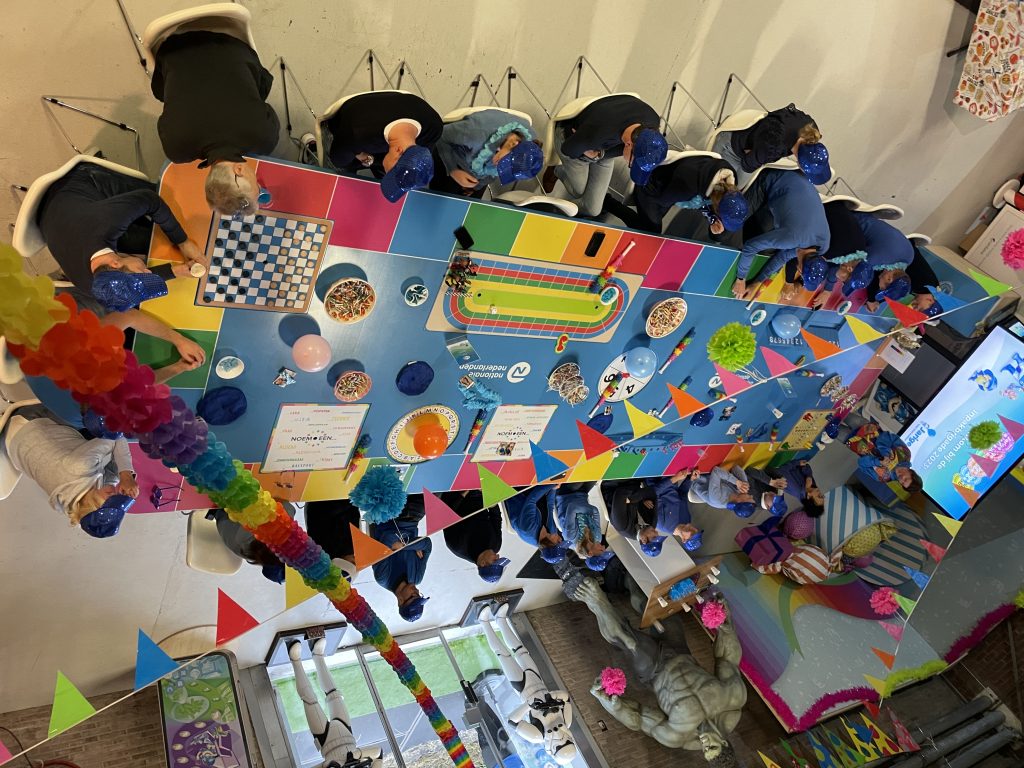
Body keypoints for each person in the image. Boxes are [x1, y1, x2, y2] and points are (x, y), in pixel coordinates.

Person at [34, 162, 208, 364]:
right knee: (153, 239)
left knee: (168, 197)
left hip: (80, 182)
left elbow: (151, 200)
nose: (147, 271)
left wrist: (183, 242)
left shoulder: (104, 224)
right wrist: (176, 271)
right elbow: (133, 286)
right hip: (56, 218)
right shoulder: (95, 285)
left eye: (142, 271)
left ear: (116, 264)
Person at [574, 578, 746, 760]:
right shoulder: (733, 702)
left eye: (705, 751)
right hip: (680, 652)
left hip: (654, 671)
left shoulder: (678, 737)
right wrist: (726, 628)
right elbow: (727, 659)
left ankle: (597, 601)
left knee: (629, 641)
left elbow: (640, 718)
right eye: (712, 746)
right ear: (724, 742)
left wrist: (614, 707)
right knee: (658, 606)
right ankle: (626, 576)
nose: (705, 745)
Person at [151, 29, 280, 216]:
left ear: (239, 169)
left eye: (257, 188)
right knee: (162, 93)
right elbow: (164, 120)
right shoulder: (175, 150)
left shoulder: (265, 139)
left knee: (258, 93)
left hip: (232, 43)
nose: (259, 186)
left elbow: (266, 108)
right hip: (174, 47)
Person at [3, 403, 139, 534]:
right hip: (15, 448)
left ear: (94, 506)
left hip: (27, 420)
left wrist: (125, 474)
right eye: (117, 498)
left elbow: (115, 435)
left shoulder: (81, 466)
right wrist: (120, 480)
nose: (115, 493)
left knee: (103, 416)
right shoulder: (75, 506)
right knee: (107, 441)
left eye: (110, 499)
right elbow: (110, 473)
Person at [478, 602, 577, 765]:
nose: (562, 738)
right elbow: (566, 698)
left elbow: (512, 721)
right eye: (568, 741)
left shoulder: (537, 735)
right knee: (521, 650)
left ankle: (484, 622)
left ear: (552, 749)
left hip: (523, 687)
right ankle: (501, 620)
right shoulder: (567, 721)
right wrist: (552, 697)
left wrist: (529, 705)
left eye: (560, 745)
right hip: (538, 681)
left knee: (503, 655)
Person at [543, 94, 667, 217]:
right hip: (569, 138)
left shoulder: (652, 125)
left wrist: (598, 155)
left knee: (593, 210)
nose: (628, 163)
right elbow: (568, 149)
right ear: (629, 144)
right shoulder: (597, 134)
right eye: (631, 162)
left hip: (601, 145)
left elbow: (608, 151)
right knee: (578, 191)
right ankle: (556, 171)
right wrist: (590, 152)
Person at [286, 636, 383, 768]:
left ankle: (295, 660)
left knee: (309, 699)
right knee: (333, 693)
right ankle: (317, 654)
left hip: (326, 742)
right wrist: (357, 755)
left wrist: (327, 765)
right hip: (347, 734)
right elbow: (378, 753)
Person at [731, 169, 829, 299]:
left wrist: (757, 282)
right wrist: (741, 278)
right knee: (732, 223)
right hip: (774, 179)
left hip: (801, 181)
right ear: (799, 270)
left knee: (766, 238)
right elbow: (750, 246)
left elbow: (782, 258)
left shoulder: (823, 246)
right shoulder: (791, 238)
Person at [605, 154, 749, 235]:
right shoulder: (688, 188)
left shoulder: (729, 176)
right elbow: (664, 201)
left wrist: (712, 218)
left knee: (651, 224)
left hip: (674, 177)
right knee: (650, 232)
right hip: (652, 186)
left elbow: (709, 196)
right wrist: (708, 213)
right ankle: (608, 202)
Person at [711, 103, 829, 190]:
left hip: (750, 126)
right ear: (800, 165)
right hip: (731, 144)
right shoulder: (775, 147)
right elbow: (747, 164)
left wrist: (757, 152)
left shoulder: (812, 128)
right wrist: (758, 154)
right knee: (727, 190)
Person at [432, 109, 544, 197]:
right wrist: (453, 170)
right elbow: (440, 135)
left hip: (479, 169)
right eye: (504, 163)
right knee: (443, 197)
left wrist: (476, 186)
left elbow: (492, 174)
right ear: (513, 144)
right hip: (448, 150)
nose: (500, 168)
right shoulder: (474, 136)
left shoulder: (530, 143)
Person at [369, 495, 431, 622]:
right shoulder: (417, 578)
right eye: (419, 594)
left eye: (413, 596)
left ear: (400, 601)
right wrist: (404, 546)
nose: (416, 590)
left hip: (387, 513)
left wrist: (411, 545)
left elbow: (387, 537)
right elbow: (427, 544)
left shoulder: (383, 577)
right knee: (436, 491)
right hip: (413, 517)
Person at [608, 470, 702, 554]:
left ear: (644, 540)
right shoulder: (652, 524)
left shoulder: (624, 527)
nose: (657, 533)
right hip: (648, 480)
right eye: (696, 531)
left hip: (618, 481)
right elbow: (681, 496)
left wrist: (638, 497)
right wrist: (690, 480)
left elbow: (650, 493)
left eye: (654, 537)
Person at [211, 502, 295, 583]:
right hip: (227, 510)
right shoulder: (256, 552)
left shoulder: (251, 539)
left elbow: (285, 507)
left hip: (224, 505)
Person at [440, 490, 510, 583]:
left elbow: (446, 514)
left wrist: (466, 491)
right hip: (480, 495)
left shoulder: (457, 546)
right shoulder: (496, 546)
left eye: (495, 560)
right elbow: (496, 517)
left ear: (483, 563)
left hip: (455, 495)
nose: (498, 556)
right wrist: (488, 495)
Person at [865, 246, 943, 315]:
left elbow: (894, 288)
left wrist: (877, 301)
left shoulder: (929, 290)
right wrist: (871, 300)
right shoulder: (922, 285)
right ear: (930, 301)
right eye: (921, 309)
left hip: (902, 252)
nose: (915, 309)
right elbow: (881, 277)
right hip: (894, 249)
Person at [688, 465, 786, 517]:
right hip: (707, 476)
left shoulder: (718, 498)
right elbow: (736, 468)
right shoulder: (737, 495)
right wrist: (743, 482)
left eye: (749, 497)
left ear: (740, 501)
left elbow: (716, 471)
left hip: (694, 480)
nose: (751, 495)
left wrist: (737, 482)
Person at [504, 484, 568, 563]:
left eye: (558, 542)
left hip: (518, 491)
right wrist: (553, 489)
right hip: (537, 494)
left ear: (549, 544)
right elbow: (549, 506)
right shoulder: (552, 532)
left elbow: (531, 500)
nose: (560, 539)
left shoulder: (528, 530)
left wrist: (552, 484)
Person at [848, 425, 922, 492]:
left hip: (853, 443)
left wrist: (877, 461)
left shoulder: (884, 477)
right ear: (911, 473)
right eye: (906, 479)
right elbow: (888, 436)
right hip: (866, 428)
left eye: (902, 483)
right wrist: (885, 453)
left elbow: (861, 463)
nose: (901, 479)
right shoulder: (905, 454)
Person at [553, 482, 608, 564]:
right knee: (594, 476)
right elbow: (596, 511)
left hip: (566, 496)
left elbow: (572, 507)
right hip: (582, 495)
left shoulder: (570, 538)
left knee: (580, 479)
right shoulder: (598, 538)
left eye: (601, 550)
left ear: (590, 553)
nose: (603, 547)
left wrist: (587, 510)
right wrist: (586, 509)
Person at [747, 459, 825, 517]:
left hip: (771, 464)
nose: (775, 495)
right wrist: (809, 476)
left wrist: (797, 463)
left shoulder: (795, 489)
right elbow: (806, 465)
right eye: (822, 496)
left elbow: (749, 471)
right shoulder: (812, 486)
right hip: (765, 467)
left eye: (819, 496)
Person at [305, 498, 361, 577]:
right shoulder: (349, 548)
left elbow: (320, 514)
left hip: (327, 500)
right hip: (332, 501)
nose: (355, 558)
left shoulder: (345, 546)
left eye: (352, 562)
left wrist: (352, 501)